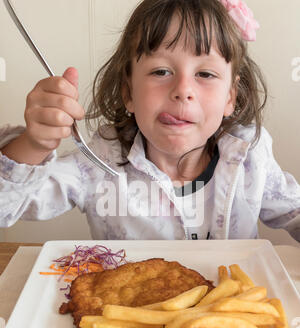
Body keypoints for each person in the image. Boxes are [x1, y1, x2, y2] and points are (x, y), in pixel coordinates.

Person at [0, 0, 299, 242]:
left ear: (230, 98)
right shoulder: (98, 163)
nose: (183, 90)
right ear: (128, 91)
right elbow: (5, 208)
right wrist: (34, 144)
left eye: (205, 74)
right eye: (160, 72)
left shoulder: (250, 160)